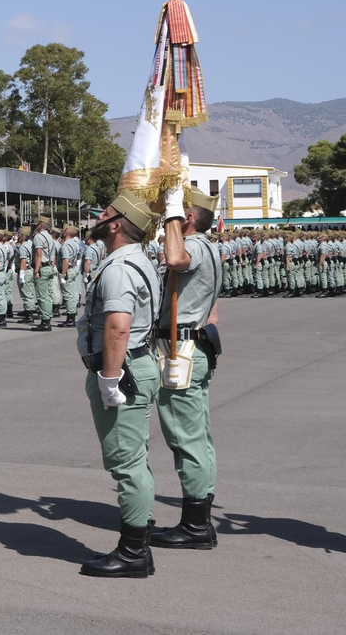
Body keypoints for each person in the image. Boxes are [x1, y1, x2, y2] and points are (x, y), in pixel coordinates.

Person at [76, 191, 162, 578]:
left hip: (122, 368)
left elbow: (117, 325)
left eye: (105, 212)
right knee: (135, 459)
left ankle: (133, 553)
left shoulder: (119, 268)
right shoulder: (134, 260)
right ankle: (138, 540)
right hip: (136, 364)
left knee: (127, 464)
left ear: (115, 225)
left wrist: (110, 379)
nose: (98, 216)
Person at [152, 185, 223, 550]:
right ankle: (200, 516)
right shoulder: (210, 247)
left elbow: (176, 260)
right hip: (192, 343)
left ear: (188, 218)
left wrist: (172, 216)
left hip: (179, 347)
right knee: (199, 437)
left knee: (185, 438)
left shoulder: (192, 247)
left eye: (176, 215)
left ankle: (195, 525)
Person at [31, 216, 59, 331]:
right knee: (47, 295)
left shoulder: (39, 236)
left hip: (42, 267)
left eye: (37, 223)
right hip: (49, 267)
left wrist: (37, 270)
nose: (35, 225)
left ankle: (45, 321)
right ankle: (47, 319)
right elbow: (53, 256)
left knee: (42, 296)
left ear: (41, 225)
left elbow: (39, 254)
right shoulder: (49, 237)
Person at [59, 224, 84, 326]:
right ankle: (72, 314)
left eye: (63, 230)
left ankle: (70, 318)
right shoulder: (75, 243)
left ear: (66, 232)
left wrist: (62, 275)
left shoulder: (66, 244)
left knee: (68, 294)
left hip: (68, 270)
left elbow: (65, 260)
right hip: (73, 269)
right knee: (73, 294)